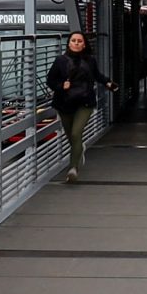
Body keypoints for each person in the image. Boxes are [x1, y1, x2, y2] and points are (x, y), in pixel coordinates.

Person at [46, 32, 118, 183]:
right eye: (74, 41)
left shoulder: (90, 60)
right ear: (69, 43)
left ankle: (73, 168)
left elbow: (97, 75)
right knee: (72, 137)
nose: (77, 43)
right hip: (64, 103)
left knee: (75, 133)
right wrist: (60, 86)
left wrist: (108, 83)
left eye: (80, 41)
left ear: (84, 44)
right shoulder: (60, 61)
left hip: (84, 103)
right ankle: (79, 149)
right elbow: (50, 80)